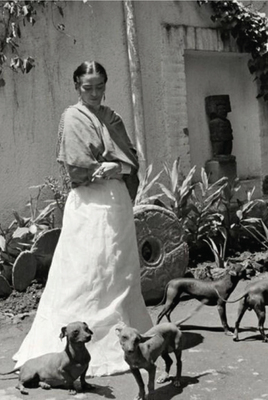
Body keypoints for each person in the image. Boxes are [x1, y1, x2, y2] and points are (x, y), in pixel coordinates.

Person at [13, 61, 153, 376]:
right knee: (85, 270)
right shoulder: (71, 117)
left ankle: (126, 336)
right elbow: (75, 167)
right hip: (88, 204)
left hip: (116, 204)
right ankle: (77, 344)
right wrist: (96, 169)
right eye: (87, 87)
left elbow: (132, 159)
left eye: (99, 86)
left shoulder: (112, 117)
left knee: (118, 268)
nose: (94, 93)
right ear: (77, 86)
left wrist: (121, 168)